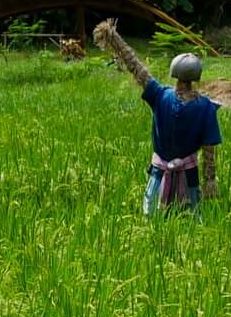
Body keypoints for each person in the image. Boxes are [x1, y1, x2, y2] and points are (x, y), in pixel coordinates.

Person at [93, 20, 219, 214]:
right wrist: (210, 179)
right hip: (189, 172)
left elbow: (136, 68)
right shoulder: (206, 107)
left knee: (150, 210)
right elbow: (209, 150)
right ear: (196, 77)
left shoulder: (161, 95)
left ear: (174, 73)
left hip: (159, 170)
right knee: (192, 212)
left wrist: (115, 40)